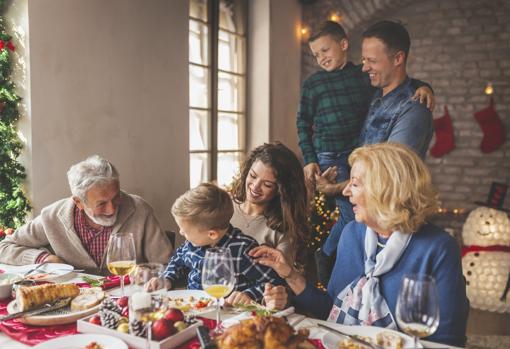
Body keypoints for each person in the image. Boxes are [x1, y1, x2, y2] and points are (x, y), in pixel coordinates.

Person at [253, 143, 469, 347]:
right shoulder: (353, 234)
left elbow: (448, 341)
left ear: (383, 191)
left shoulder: (438, 248)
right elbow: (331, 310)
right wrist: (289, 273)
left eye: (355, 184)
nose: (346, 192)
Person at [315, 21, 435, 282]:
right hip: (361, 216)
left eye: (372, 60)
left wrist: (334, 188)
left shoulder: (413, 109)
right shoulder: (373, 91)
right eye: (363, 60)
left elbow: (387, 176)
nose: (365, 67)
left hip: (388, 222)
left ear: (398, 58)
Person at [0, 155, 173, 274]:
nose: (112, 209)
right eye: (101, 204)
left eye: (116, 197)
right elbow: (4, 247)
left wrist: (148, 271)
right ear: (78, 202)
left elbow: (169, 265)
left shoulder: (140, 210)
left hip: (128, 300)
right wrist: (43, 258)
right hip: (75, 304)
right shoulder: (52, 217)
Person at [146, 183, 282, 305]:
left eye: (185, 231)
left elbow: (271, 283)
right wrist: (167, 279)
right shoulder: (191, 244)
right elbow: (177, 262)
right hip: (193, 308)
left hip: (229, 313)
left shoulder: (242, 249)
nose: (181, 232)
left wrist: (248, 295)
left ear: (212, 234)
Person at [229, 142, 309, 269]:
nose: (255, 187)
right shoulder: (223, 206)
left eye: (267, 184)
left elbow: (282, 278)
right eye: (253, 176)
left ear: (282, 190)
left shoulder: (283, 231)